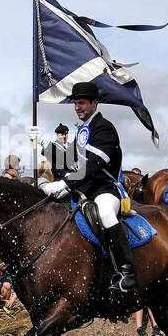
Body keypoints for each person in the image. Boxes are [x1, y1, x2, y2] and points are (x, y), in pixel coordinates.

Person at [39, 80, 135, 292]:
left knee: (105, 214)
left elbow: (94, 166)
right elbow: (69, 161)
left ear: (95, 103)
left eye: (81, 103)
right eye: (75, 103)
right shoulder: (83, 130)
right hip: (85, 188)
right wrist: (44, 145)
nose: (77, 107)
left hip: (106, 187)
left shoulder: (104, 128)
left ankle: (127, 271)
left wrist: (64, 183)